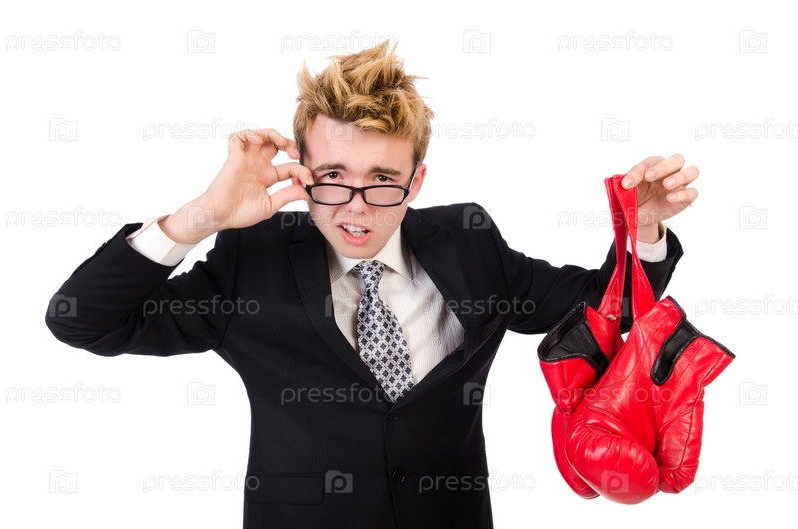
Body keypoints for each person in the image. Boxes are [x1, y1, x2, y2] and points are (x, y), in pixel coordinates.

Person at [46, 41, 695, 529]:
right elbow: (83, 319)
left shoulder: (469, 244)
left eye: (382, 179)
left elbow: (611, 312)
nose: (355, 207)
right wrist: (202, 216)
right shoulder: (253, 259)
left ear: (416, 182)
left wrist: (641, 230)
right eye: (332, 175)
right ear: (301, 172)